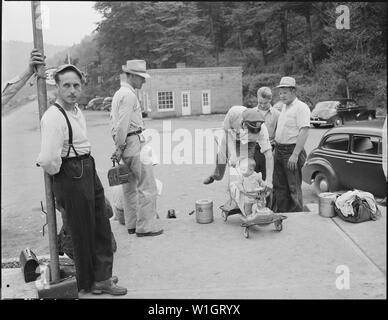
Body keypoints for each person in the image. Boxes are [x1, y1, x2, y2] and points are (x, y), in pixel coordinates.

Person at [36, 64, 127, 295]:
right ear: (57, 87)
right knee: (82, 230)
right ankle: (90, 282)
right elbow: (48, 159)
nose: (72, 90)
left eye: (76, 85)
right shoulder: (53, 117)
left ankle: (102, 277)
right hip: (71, 172)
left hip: (87, 166)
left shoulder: (76, 111)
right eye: (66, 85)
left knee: (100, 225)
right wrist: (63, 174)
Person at [110, 60, 163, 237]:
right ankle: (146, 226)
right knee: (147, 186)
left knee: (129, 187)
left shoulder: (119, 94)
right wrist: (120, 146)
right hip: (133, 142)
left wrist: (118, 147)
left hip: (126, 145)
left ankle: (132, 224)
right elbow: (122, 125)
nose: (144, 81)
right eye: (141, 77)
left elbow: (115, 125)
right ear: (131, 76)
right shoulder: (129, 96)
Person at [203, 106, 274, 193]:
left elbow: (268, 154)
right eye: (250, 131)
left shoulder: (263, 130)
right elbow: (227, 132)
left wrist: (269, 180)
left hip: (248, 143)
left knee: (247, 167)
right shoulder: (234, 113)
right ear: (243, 123)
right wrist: (233, 154)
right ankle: (216, 176)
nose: (250, 134)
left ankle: (243, 191)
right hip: (230, 136)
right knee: (221, 159)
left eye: (254, 133)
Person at [272, 76, 311, 212]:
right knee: (279, 185)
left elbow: (304, 131)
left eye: (285, 92)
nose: (282, 96)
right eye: (280, 93)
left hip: (292, 151)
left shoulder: (301, 108)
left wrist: (295, 155)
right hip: (279, 150)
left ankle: (297, 217)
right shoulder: (284, 107)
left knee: (293, 186)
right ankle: (283, 214)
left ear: (293, 91)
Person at [252, 87, 280, 179]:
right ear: (257, 97)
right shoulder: (251, 113)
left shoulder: (277, 114)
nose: (263, 105)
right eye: (260, 102)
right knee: (252, 179)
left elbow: (279, 135)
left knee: (268, 179)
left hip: (269, 150)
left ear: (270, 99)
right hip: (253, 150)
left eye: (265, 103)